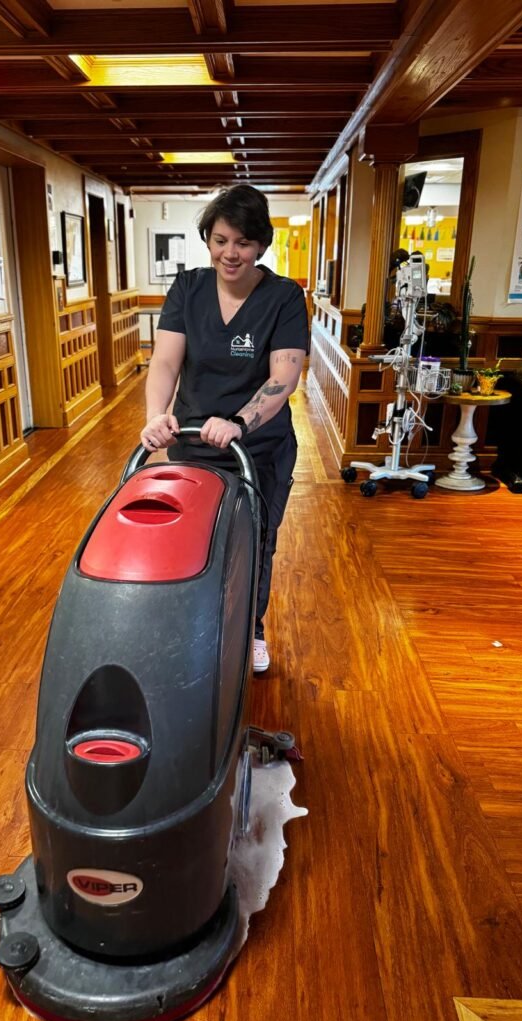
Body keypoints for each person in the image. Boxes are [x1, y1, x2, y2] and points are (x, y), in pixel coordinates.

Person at [139, 184, 309, 673]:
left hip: (260, 447)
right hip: (194, 444)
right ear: (208, 241)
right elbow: (165, 362)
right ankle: (192, 625)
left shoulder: (283, 297)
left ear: (261, 245)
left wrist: (238, 422)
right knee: (190, 540)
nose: (229, 253)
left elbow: (283, 377)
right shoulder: (188, 288)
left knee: (254, 540)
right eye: (220, 240)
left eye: (242, 242)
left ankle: (250, 629)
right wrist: (156, 415)